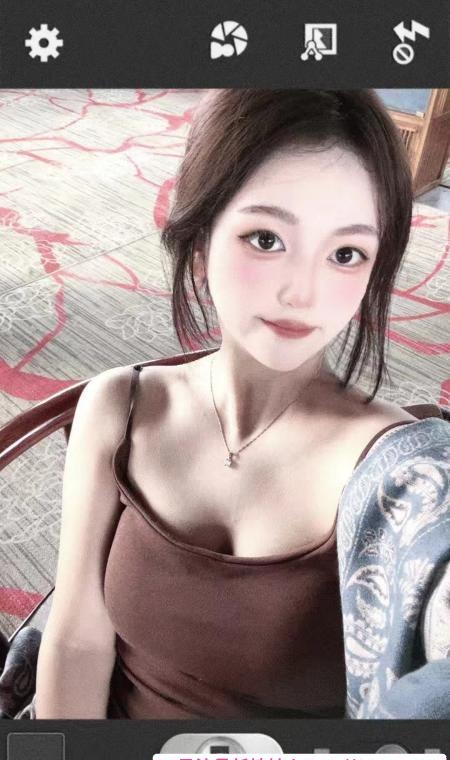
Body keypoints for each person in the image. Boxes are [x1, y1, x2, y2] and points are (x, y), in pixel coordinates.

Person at [33, 89, 450, 720]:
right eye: (266, 238)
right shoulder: (121, 405)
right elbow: (76, 642)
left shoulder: (402, 473)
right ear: (201, 243)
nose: (302, 292)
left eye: (346, 254)